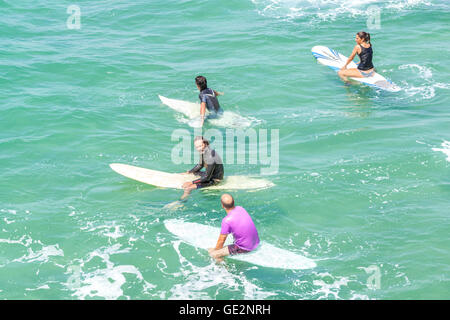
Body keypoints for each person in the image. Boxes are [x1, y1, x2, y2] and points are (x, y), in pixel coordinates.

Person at [208, 194, 260, 262]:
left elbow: (221, 241)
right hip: (256, 242)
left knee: (213, 254)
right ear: (234, 202)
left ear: (222, 205)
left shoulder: (226, 220)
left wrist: (216, 250)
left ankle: (224, 271)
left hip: (245, 248)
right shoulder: (240, 208)